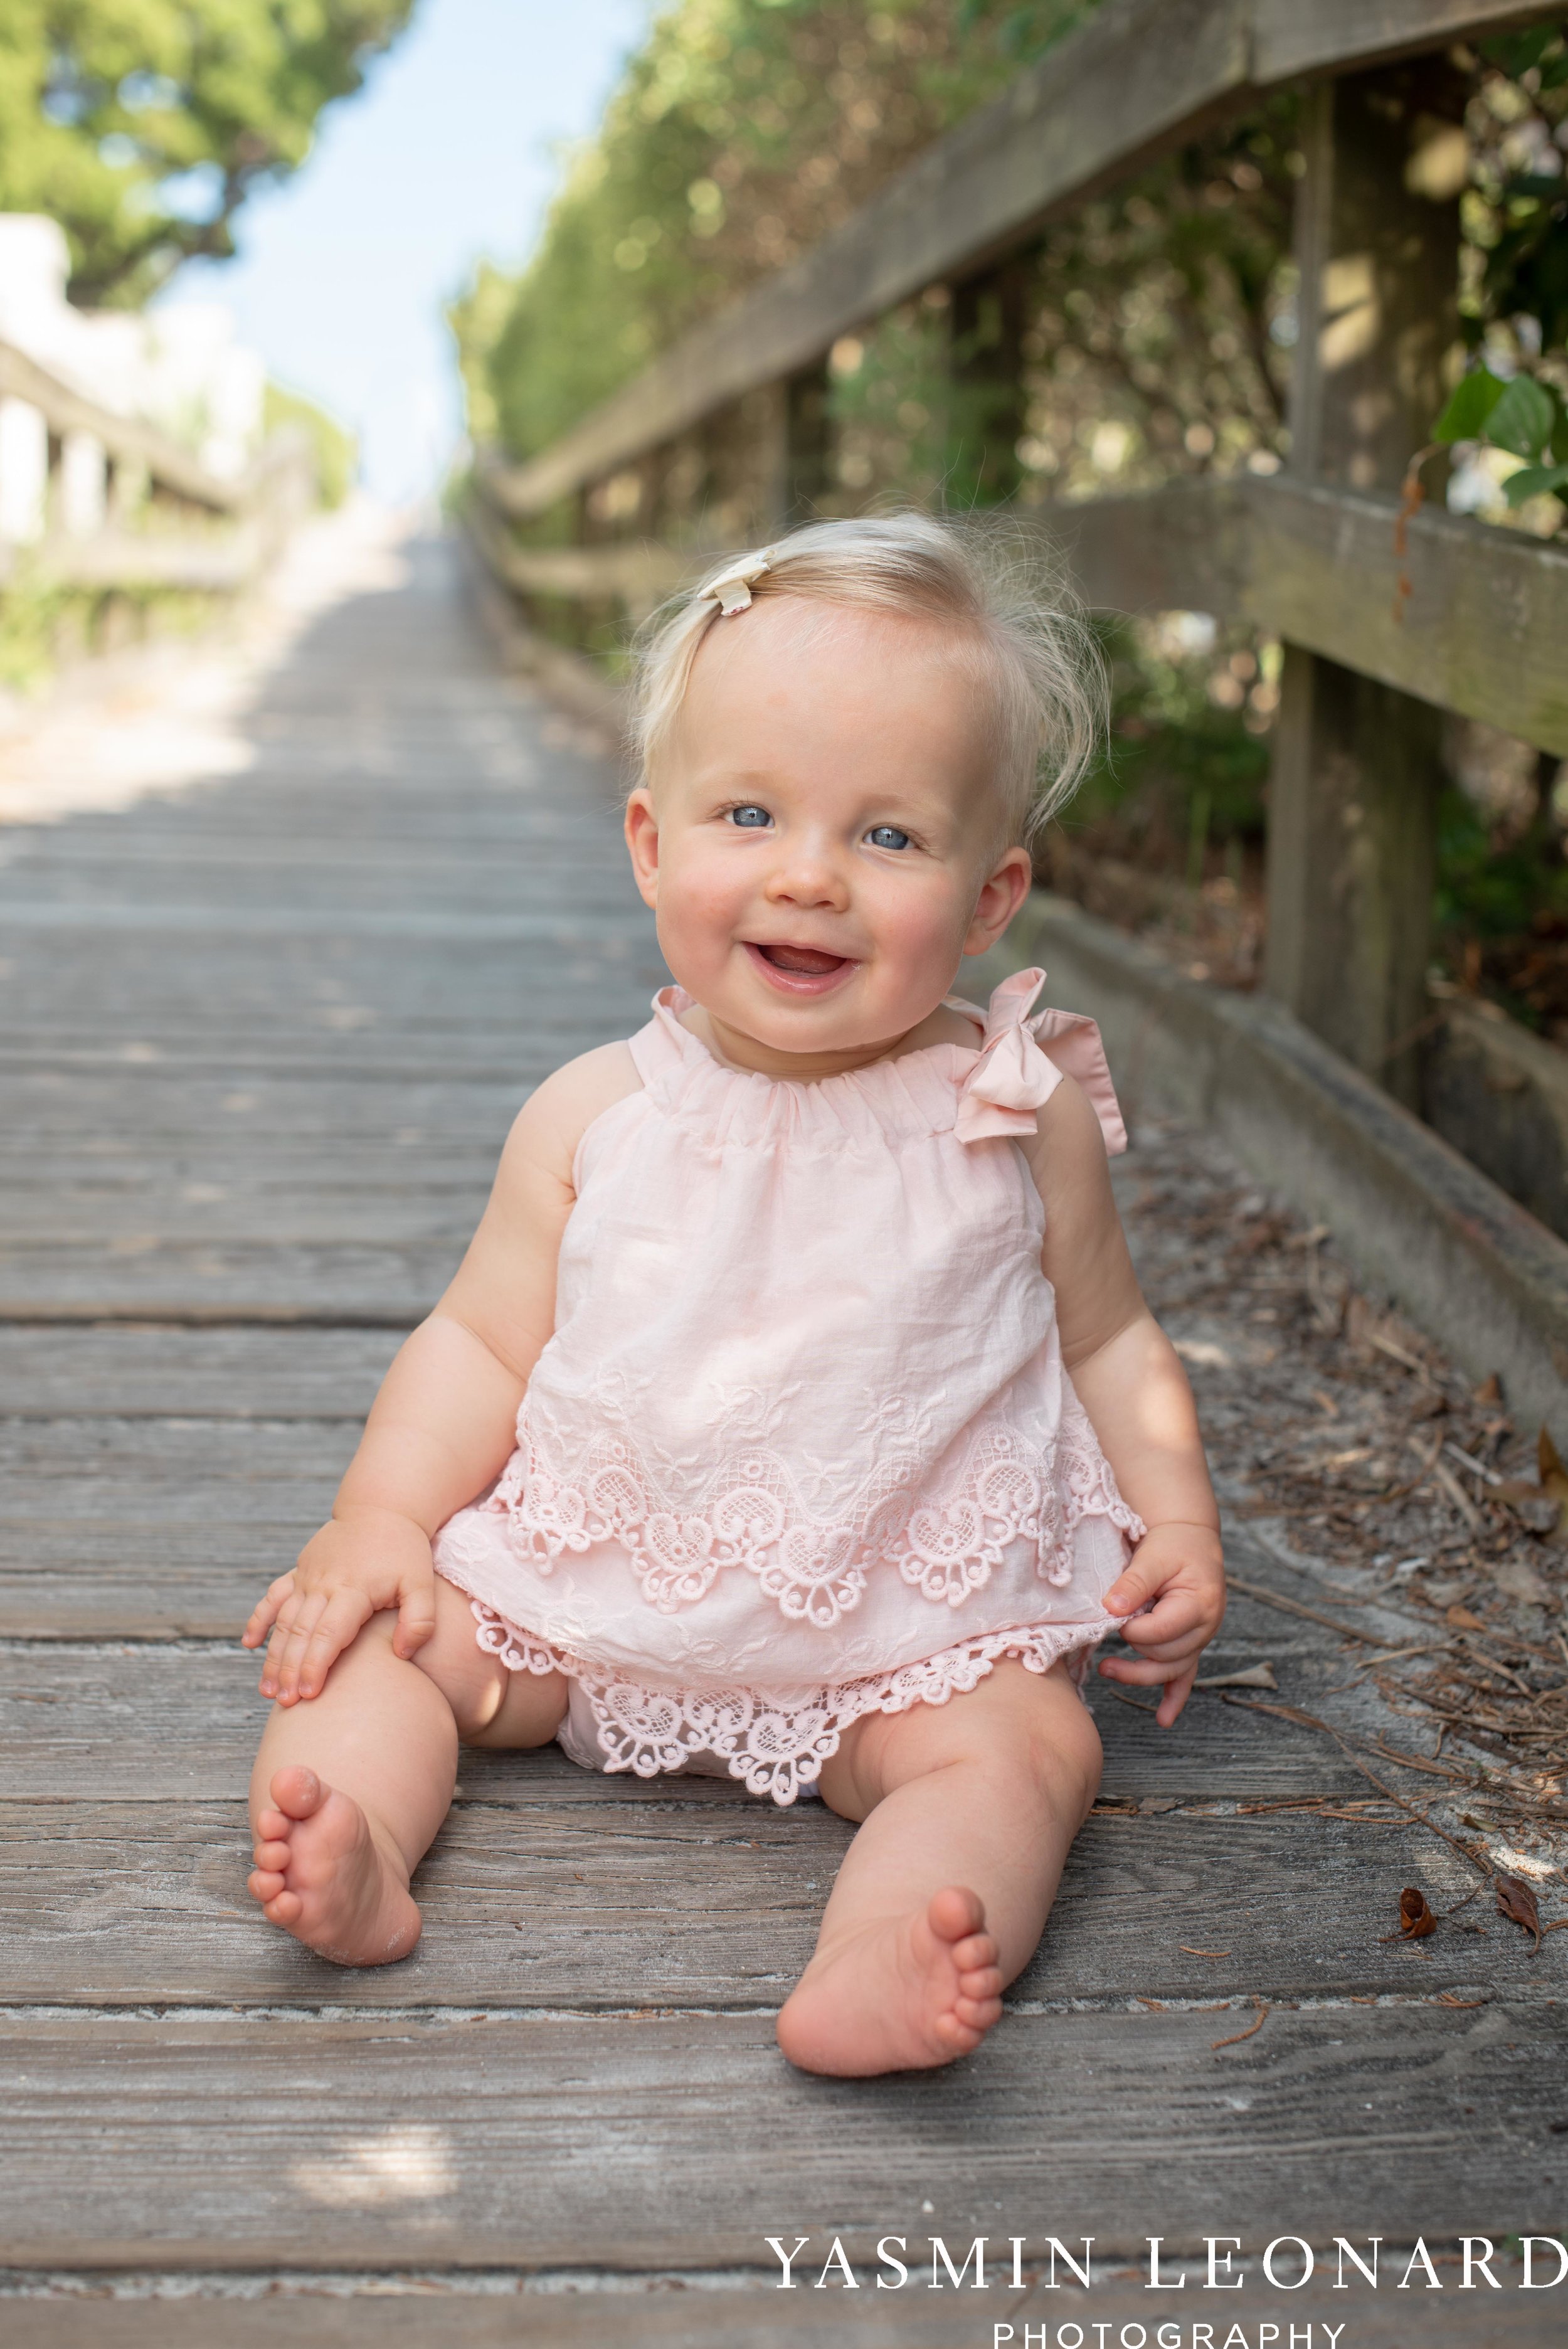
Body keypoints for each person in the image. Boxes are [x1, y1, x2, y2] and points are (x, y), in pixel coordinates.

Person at [241, 512, 1224, 2076]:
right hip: (581, 1593)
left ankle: (889, 1947)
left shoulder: (1010, 1108)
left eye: (888, 837)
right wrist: (376, 1519)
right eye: (749, 813)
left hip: (900, 1635)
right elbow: (483, 1336)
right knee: (375, 1642)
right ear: (650, 843)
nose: (810, 876)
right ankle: (353, 1837)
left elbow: (1106, 1335)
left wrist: (1173, 1522)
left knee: (1032, 1746)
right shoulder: (593, 1111)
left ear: (989, 897)